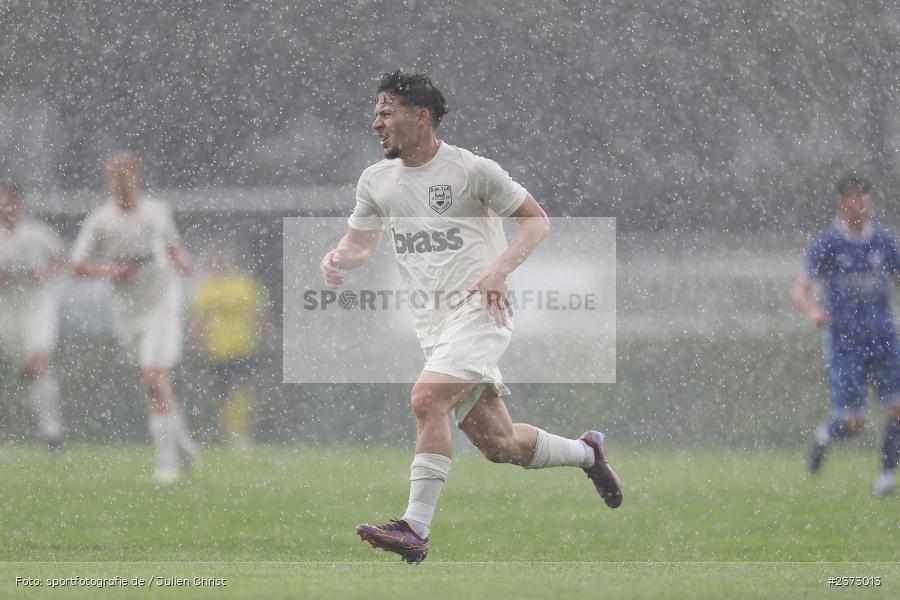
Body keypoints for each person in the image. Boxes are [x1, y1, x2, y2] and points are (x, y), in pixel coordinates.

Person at [321, 71, 623, 564]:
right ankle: (588, 453)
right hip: (434, 326)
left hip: (482, 313)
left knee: (425, 399)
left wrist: (499, 271)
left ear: (420, 118)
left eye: (386, 111)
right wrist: (338, 258)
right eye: (375, 112)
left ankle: (415, 529)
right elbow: (361, 244)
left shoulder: (472, 170)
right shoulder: (376, 180)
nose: (376, 122)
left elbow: (535, 220)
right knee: (499, 444)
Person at [71, 151, 198, 485]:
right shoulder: (100, 221)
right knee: (156, 384)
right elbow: (78, 266)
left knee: (153, 378)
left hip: (162, 302)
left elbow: (172, 247)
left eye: (127, 177)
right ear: (108, 182)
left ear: (137, 179)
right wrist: (110, 270)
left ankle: (166, 463)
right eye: (115, 178)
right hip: (128, 310)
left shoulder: (157, 212)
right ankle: (182, 442)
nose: (122, 184)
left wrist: (183, 261)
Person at [792, 171, 900, 496]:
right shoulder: (827, 243)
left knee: (898, 408)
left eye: (867, 197)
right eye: (856, 198)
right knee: (853, 423)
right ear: (842, 203)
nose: (863, 204)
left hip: (884, 337)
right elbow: (801, 288)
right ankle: (826, 435)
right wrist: (813, 311)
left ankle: (885, 478)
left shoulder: (885, 242)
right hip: (844, 343)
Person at [0, 182, 65, 452]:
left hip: (38, 305)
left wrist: (47, 273)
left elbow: (61, 258)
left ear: (18, 203)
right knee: (29, 371)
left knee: (38, 362)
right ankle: (46, 428)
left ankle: (53, 433)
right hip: (7, 309)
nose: (6, 208)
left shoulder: (38, 234)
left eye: (9, 202)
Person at [190, 247, 269, 450]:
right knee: (224, 395)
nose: (218, 265)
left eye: (221, 261)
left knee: (240, 390)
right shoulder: (206, 288)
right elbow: (200, 318)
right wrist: (194, 337)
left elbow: (257, 312)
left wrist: (263, 331)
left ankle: (242, 435)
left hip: (242, 345)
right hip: (216, 349)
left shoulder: (243, 285)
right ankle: (231, 433)